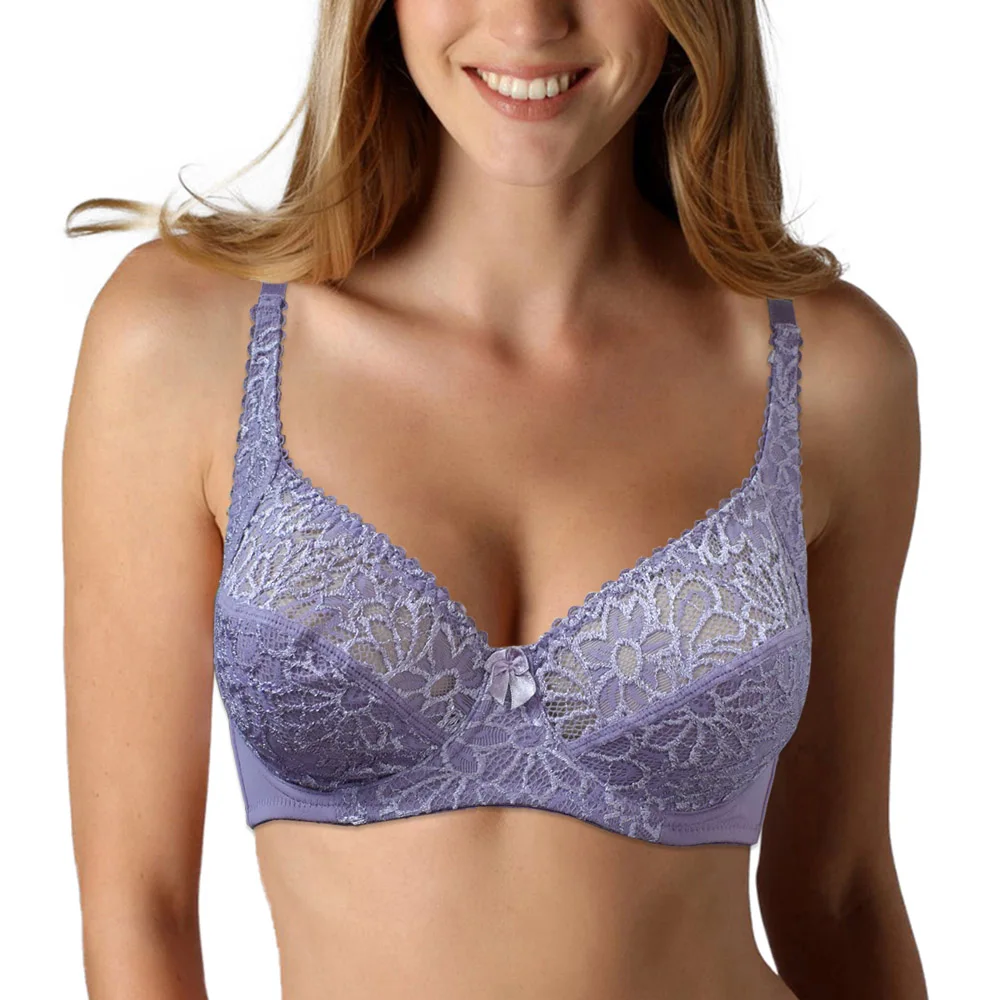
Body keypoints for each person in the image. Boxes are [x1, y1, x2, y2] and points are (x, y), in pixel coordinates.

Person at [61, 1, 928, 998]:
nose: (528, 21)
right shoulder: (183, 342)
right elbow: (139, 908)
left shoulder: (831, 377)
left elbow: (840, 894)